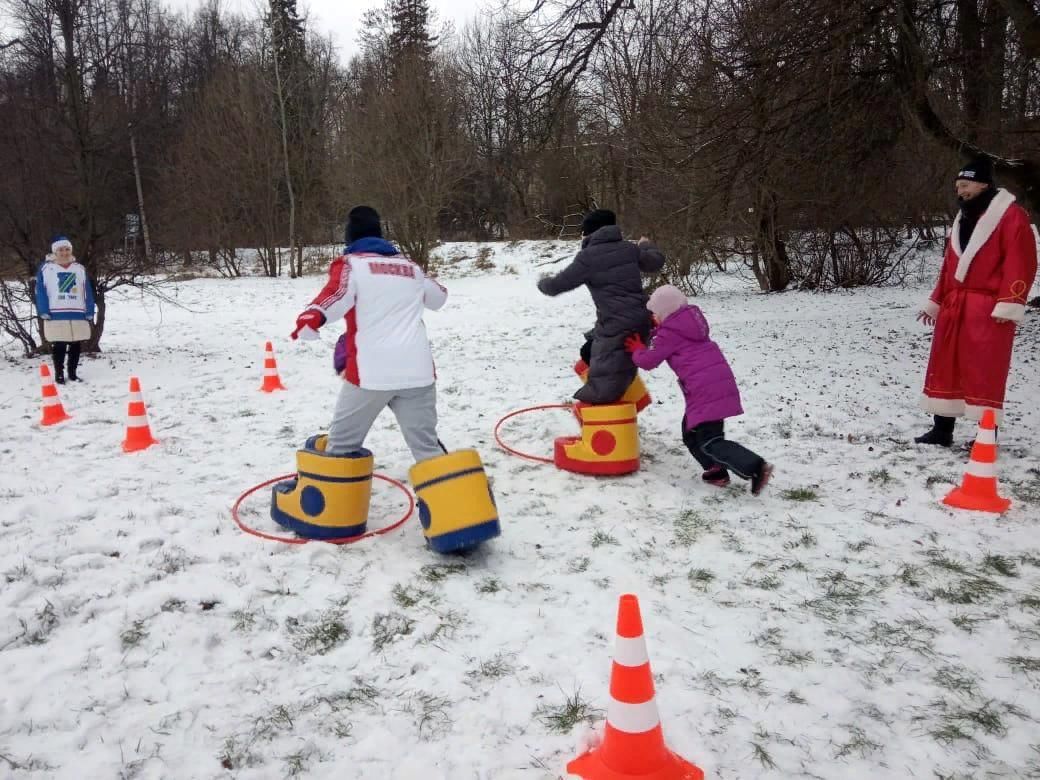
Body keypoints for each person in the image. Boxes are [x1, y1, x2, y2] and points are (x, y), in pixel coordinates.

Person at [292, 206, 449, 461]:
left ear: (350, 237)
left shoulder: (351, 265)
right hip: (418, 373)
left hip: (371, 374)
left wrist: (311, 318)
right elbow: (439, 297)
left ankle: (337, 498)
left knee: (340, 449)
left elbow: (335, 296)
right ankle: (449, 499)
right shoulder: (410, 267)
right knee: (427, 448)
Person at [915, 156, 1038, 446]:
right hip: (955, 306)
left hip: (989, 308)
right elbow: (949, 265)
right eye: (958, 186)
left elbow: (1021, 262)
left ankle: (986, 436)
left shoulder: (1011, 216)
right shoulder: (962, 218)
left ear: (984, 184)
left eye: (966, 185)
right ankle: (942, 430)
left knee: (985, 372)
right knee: (946, 366)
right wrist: (937, 300)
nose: (961, 191)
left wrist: (1009, 303)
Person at [625, 285, 773, 495]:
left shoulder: (670, 334)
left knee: (709, 441)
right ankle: (716, 472)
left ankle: (755, 466)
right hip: (714, 386)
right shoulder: (688, 324)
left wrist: (637, 349)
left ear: (664, 313)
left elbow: (648, 361)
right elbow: (667, 336)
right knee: (691, 434)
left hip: (704, 391)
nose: (654, 318)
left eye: (655, 314)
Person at [536, 209, 665, 404]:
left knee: (603, 385)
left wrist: (542, 282)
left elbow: (557, 286)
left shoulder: (587, 257)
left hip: (616, 324)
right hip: (640, 319)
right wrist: (646, 245)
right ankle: (631, 400)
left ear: (590, 232)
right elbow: (655, 262)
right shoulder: (629, 249)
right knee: (589, 352)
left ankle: (608, 419)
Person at [35, 236, 95, 384]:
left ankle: (72, 373)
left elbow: (87, 290)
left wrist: (89, 310)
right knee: (60, 345)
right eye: (61, 249)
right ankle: (59, 373)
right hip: (56, 312)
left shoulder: (79, 269)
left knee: (76, 345)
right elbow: (40, 291)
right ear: (55, 251)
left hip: (77, 312)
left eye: (67, 249)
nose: (64, 252)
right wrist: (43, 309)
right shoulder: (46, 268)